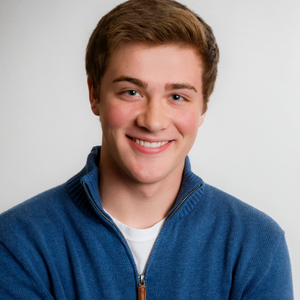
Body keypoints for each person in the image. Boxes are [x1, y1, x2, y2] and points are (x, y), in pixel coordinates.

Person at [0, 0, 293, 299]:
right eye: (131, 92)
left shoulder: (256, 245)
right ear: (94, 95)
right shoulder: (17, 243)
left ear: (203, 107)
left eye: (177, 96)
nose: (153, 121)